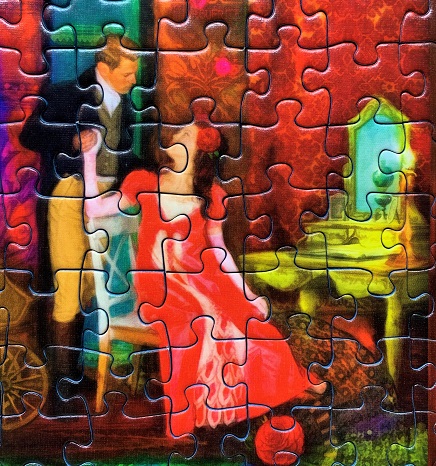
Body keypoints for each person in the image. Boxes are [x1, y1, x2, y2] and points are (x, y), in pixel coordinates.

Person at [84, 122, 324, 435]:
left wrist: (248, 294)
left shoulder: (211, 195)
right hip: (159, 286)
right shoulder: (144, 182)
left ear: (199, 153)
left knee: (249, 319)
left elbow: (220, 251)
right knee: (194, 323)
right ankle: (186, 417)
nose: (175, 136)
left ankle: (277, 388)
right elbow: (94, 209)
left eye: (185, 135)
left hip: (204, 280)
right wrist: (90, 156)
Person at [19, 34, 142, 403]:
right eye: (127, 73)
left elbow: (123, 157)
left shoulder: (126, 105)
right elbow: (30, 134)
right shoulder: (66, 94)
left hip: (105, 203)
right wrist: (72, 140)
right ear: (103, 67)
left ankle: (72, 376)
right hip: (70, 198)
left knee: (92, 287)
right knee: (69, 288)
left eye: (135, 73)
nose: (134, 79)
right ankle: (60, 389)